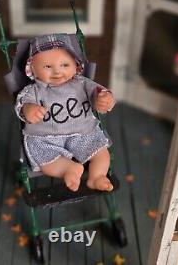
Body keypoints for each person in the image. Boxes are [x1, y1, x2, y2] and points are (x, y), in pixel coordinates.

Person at [15, 33, 116, 192]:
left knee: (101, 154)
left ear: (76, 65)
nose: (57, 72)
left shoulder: (82, 83)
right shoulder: (33, 90)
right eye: (48, 67)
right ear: (33, 68)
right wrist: (28, 109)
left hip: (82, 133)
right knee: (45, 160)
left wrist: (104, 99)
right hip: (45, 138)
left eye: (65, 65)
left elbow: (97, 92)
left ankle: (97, 177)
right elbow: (22, 103)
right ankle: (68, 169)